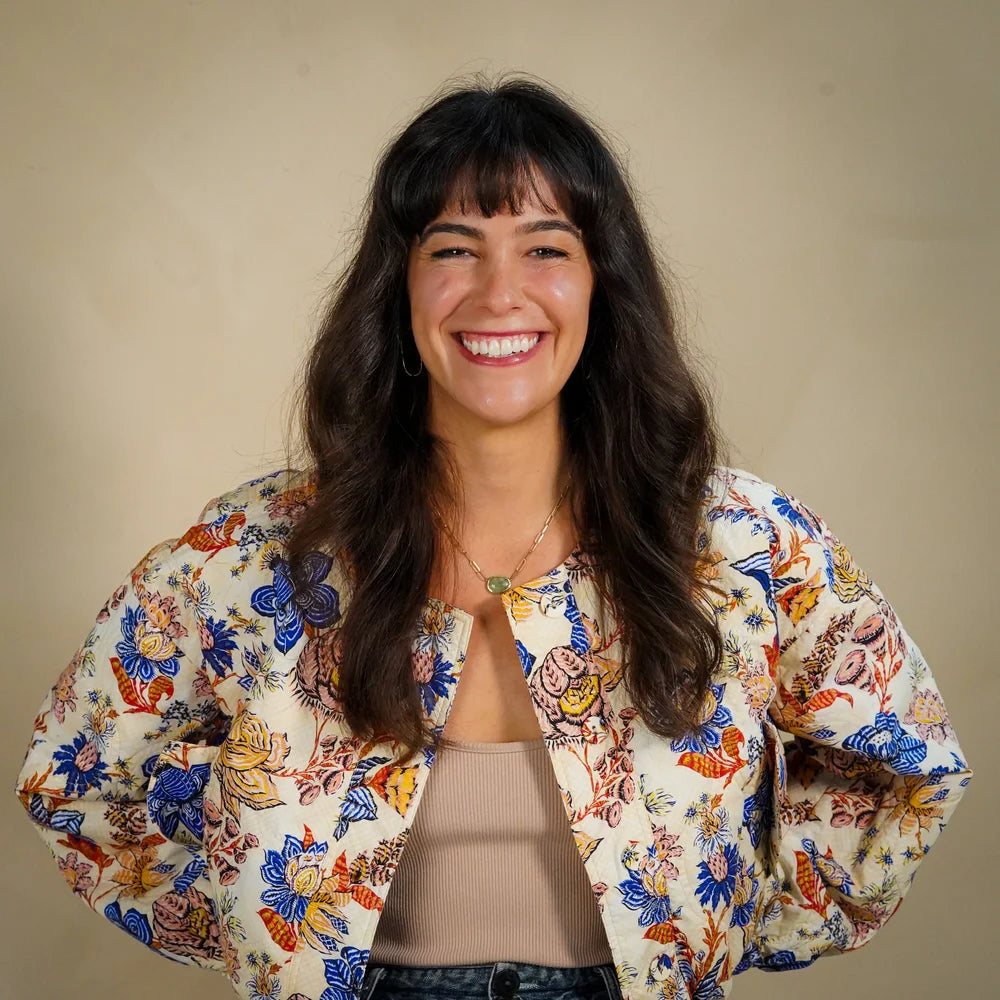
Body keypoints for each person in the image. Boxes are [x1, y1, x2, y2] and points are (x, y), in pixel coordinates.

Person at [15, 74, 971, 1000]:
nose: (499, 293)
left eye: (546, 248)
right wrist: (257, 920)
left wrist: (726, 920)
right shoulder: (260, 552)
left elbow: (907, 768)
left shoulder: (740, 543)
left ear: (602, 285)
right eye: (454, 249)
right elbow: (76, 780)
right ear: (399, 286)